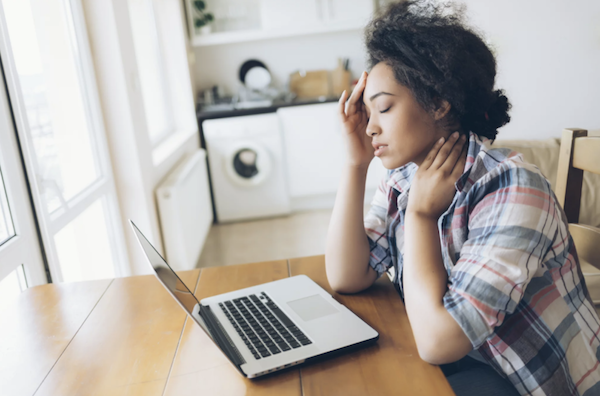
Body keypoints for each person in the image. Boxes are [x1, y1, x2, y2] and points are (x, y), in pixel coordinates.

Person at [325, 1, 600, 395]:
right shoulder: (404, 175)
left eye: (383, 107)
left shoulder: (514, 189)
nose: (370, 126)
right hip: (471, 364)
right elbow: (347, 276)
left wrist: (421, 217)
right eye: (368, 111)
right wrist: (355, 165)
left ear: (439, 103)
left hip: (527, 382)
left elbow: (438, 342)